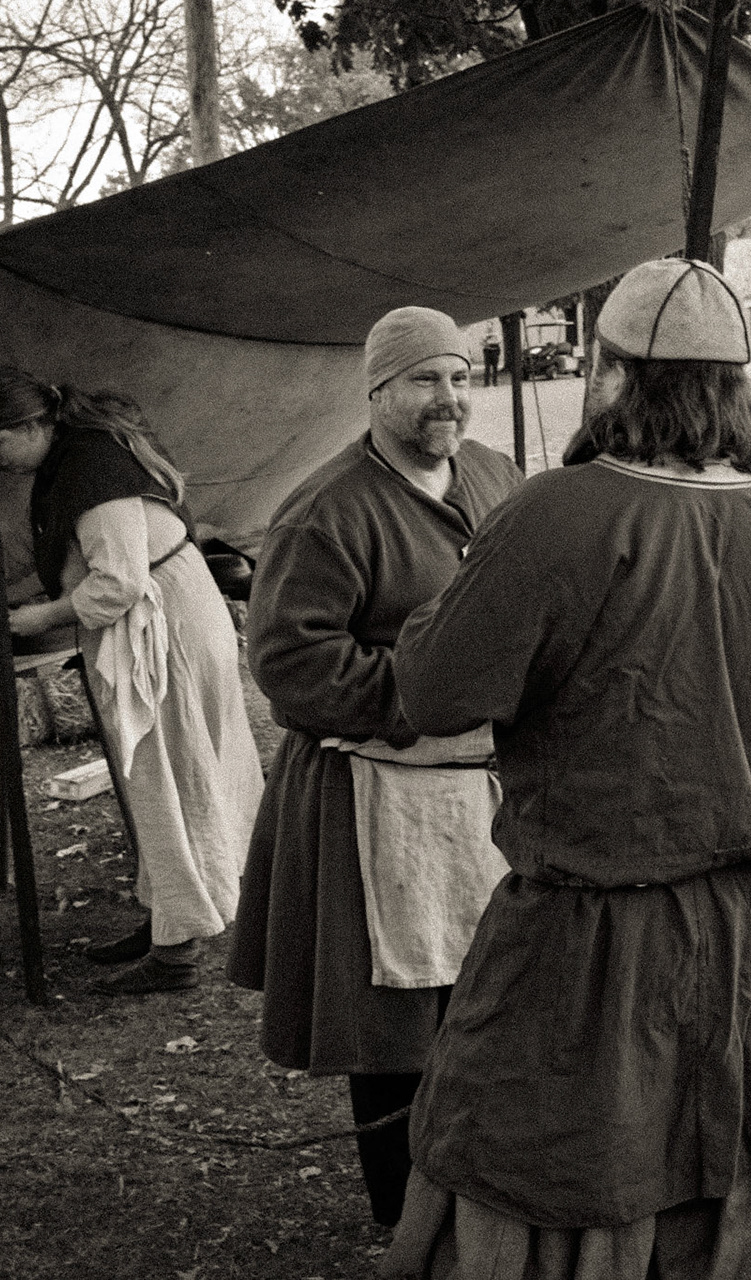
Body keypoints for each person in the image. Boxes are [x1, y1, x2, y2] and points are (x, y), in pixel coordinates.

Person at [380, 259, 751, 1280]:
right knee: (704, 1180)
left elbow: (434, 690)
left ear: (613, 373)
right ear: (736, 385)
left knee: (570, 1170)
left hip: (596, 944)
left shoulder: (550, 516)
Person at [227, 306, 522, 1227]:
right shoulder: (327, 511)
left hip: (483, 788)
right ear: (379, 391)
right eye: (426, 381)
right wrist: (429, 694)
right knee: (394, 1027)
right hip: (373, 793)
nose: (449, 400)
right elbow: (290, 664)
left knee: (494, 997)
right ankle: (403, 1218)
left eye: (462, 379)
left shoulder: (497, 478)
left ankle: (486, 1193)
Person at [0, 369, 264, 995]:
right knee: (166, 779)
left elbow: (117, 582)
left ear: (34, 426)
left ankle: (176, 953)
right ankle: (169, 915)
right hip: (169, 615)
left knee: (168, 780)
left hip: (165, 627)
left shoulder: (90, 468)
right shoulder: (74, 457)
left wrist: (44, 616)